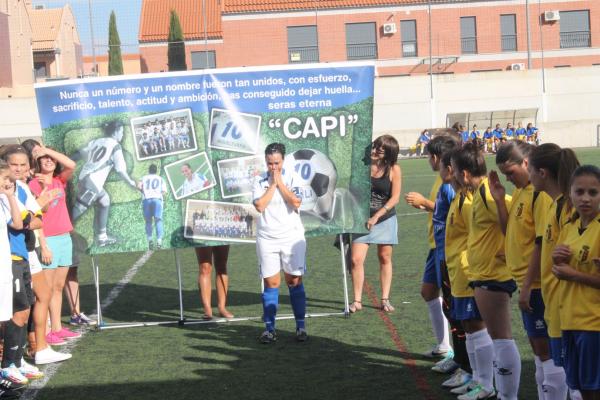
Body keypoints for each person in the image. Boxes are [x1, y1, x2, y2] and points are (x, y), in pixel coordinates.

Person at [452, 142, 520, 400]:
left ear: (465, 173)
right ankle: (490, 387)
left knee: (501, 338)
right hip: (481, 274)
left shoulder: (488, 194)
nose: (456, 176)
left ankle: (503, 394)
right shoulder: (480, 193)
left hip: (494, 275)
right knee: (494, 336)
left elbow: (517, 218)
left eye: (457, 171)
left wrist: (508, 248)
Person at [493, 141, 559, 399]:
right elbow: (510, 231)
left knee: (546, 353)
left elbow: (541, 243)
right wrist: (500, 200)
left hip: (539, 285)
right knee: (539, 351)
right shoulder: (522, 191)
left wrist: (529, 286)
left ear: (526, 162)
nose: (508, 179)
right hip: (527, 283)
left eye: (510, 172)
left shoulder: (539, 194)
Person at [529, 143, 581, 400]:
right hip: (554, 305)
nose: (528, 176)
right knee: (570, 375)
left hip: (567, 307)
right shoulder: (553, 205)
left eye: (529, 169)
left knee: (577, 381)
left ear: (542, 173)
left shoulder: (566, 208)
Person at [551, 165, 600, 400]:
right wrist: (556, 260)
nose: (585, 199)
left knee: (592, 390)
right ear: (570, 193)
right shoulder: (570, 227)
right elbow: (559, 269)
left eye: (593, 192)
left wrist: (574, 275)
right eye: (579, 192)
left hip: (593, 324)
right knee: (579, 386)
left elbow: (572, 274)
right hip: (569, 319)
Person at [405, 135, 456, 359]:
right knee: (428, 291)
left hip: (446, 246)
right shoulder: (440, 178)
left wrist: (425, 203)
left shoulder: (449, 181)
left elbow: (456, 212)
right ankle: (444, 345)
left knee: (452, 301)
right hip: (435, 244)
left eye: (429, 156)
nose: (428, 160)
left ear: (436, 157)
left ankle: (459, 357)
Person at [29, 145, 83, 349]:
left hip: (64, 238)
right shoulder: (34, 184)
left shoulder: (60, 180)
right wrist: (43, 245)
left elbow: (71, 164)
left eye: (50, 158)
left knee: (59, 287)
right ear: (37, 163)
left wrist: (46, 150)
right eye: (43, 159)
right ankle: (48, 329)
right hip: (49, 240)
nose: (48, 161)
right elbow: (37, 215)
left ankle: (58, 328)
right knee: (48, 289)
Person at [252, 143, 307, 344]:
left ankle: (300, 326)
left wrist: (280, 183)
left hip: (291, 237)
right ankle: (270, 329)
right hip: (267, 238)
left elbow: (296, 202)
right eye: (270, 163)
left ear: (283, 161)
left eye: (276, 163)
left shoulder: (293, 176)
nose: (273, 167)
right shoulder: (259, 181)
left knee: (294, 281)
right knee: (271, 283)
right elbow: (259, 205)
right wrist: (272, 184)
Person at [350, 135, 401, 314]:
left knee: (385, 257)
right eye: (375, 146)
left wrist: (377, 216)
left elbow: (395, 198)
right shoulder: (361, 166)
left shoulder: (394, 169)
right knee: (356, 260)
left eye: (381, 148)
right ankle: (357, 300)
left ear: (389, 153)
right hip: (362, 220)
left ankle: (385, 298)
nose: (376, 150)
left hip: (385, 219)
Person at [71, 120, 137, 246]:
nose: (122, 135)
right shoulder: (115, 146)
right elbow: (121, 170)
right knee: (79, 209)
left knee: (104, 200)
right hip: (93, 182)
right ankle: (56, 232)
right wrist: (131, 183)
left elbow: (78, 154)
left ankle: (102, 237)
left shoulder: (97, 141)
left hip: (85, 178)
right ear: (116, 132)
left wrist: (65, 162)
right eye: (122, 132)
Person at [0, 161, 26, 394]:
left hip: (4, 269)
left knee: (3, 319)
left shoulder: (3, 201)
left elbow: (17, 224)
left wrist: (9, 196)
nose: (8, 182)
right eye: (4, 179)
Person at [195, 246, 233, 320]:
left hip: (221, 234)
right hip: (203, 235)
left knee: (222, 266)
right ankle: (207, 309)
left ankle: (222, 308)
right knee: (205, 267)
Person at [138, 164, 167, 249]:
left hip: (147, 200)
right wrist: (159, 197)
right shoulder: (160, 179)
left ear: (149, 170)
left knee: (148, 221)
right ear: (156, 171)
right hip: (157, 200)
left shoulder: (143, 178)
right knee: (158, 220)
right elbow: (164, 191)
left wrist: (143, 191)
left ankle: (150, 240)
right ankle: (159, 242)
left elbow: (139, 186)